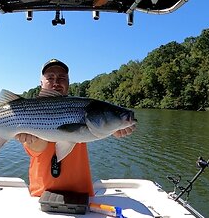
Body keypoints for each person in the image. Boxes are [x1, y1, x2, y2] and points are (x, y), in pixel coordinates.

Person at [15, 58, 136, 197]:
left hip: (82, 195)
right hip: (41, 195)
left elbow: (97, 126)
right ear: (41, 83)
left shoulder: (81, 106)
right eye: (50, 77)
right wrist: (31, 139)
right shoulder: (28, 111)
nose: (56, 82)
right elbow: (37, 149)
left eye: (62, 78)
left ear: (68, 82)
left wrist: (114, 128)